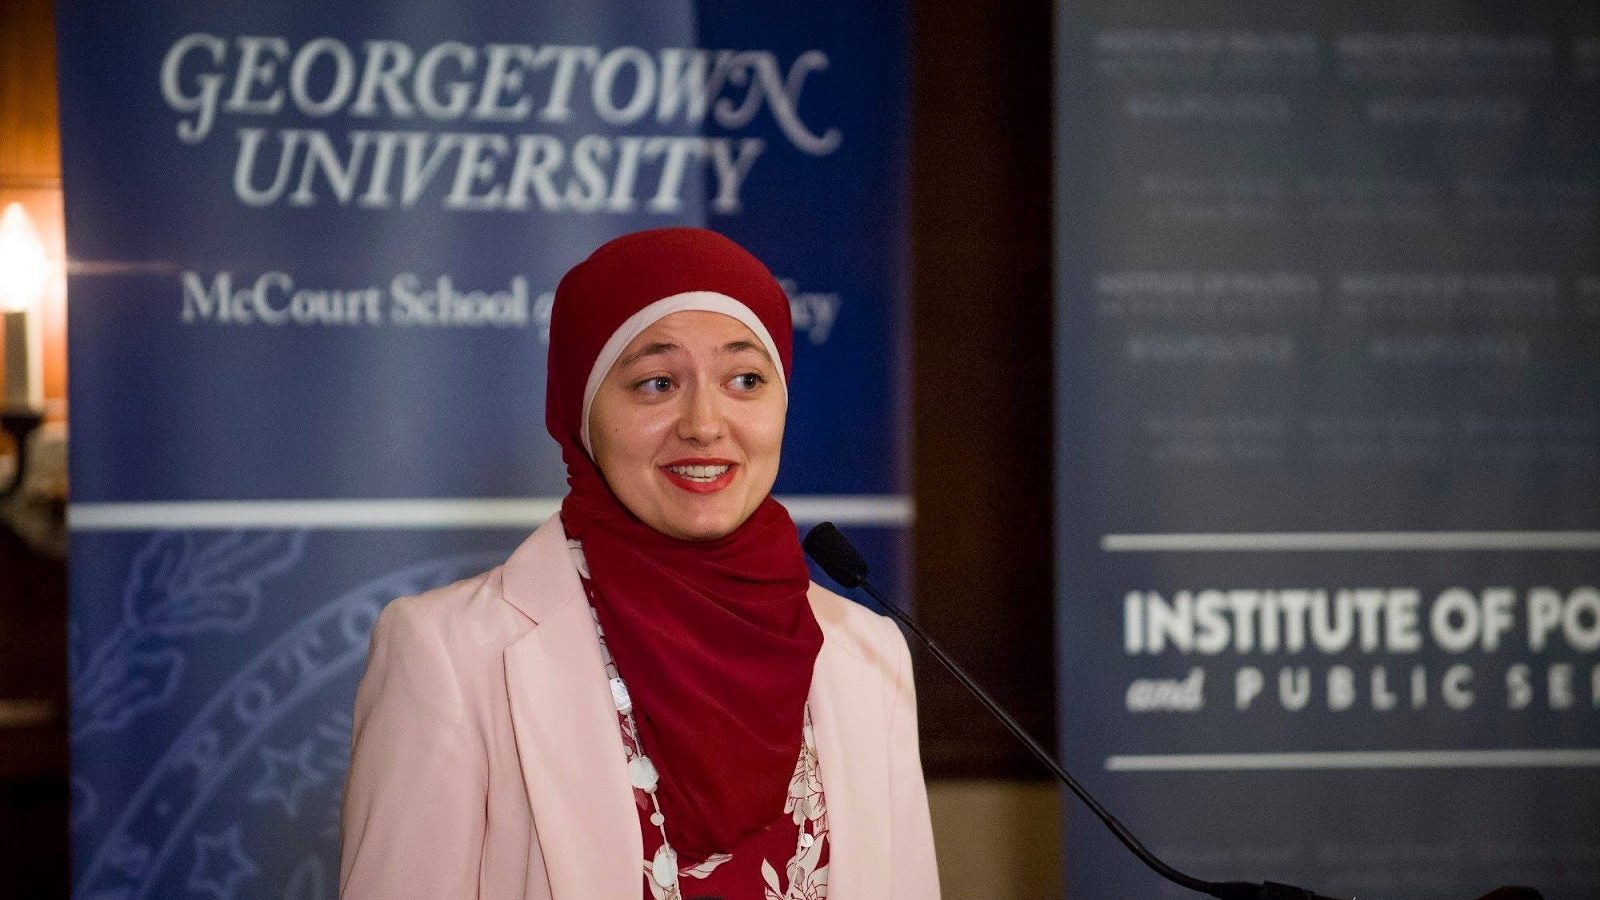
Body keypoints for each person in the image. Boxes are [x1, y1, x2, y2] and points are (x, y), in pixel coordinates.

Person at [338, 227, 941, 900]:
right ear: (580, 412)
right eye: (656, 383)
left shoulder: (868, 651)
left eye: (745, 379)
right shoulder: (449, 654)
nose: (705, 424)